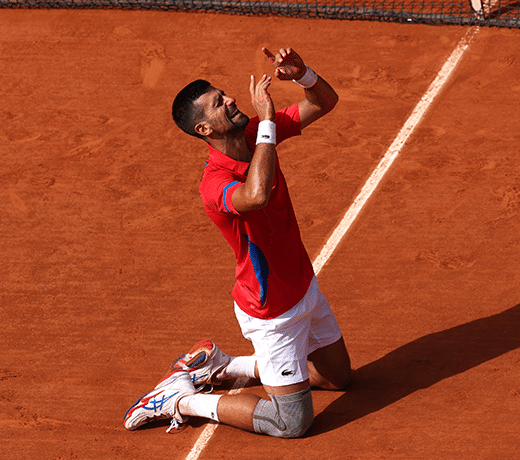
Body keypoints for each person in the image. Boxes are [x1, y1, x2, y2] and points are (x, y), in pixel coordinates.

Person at [123, 47, 351, 438]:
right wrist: (266, 122)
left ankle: (221, 367)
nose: (230, 99)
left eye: (223, 93)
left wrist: (302, 74)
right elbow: (256, 194)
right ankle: (179, 399)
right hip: (271, 312)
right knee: (292, 423)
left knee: (337, 379)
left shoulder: (253, 136)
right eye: (217, 103)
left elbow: (323, 103)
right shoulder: (214, 185)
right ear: (204, 130)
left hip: (303, 286)